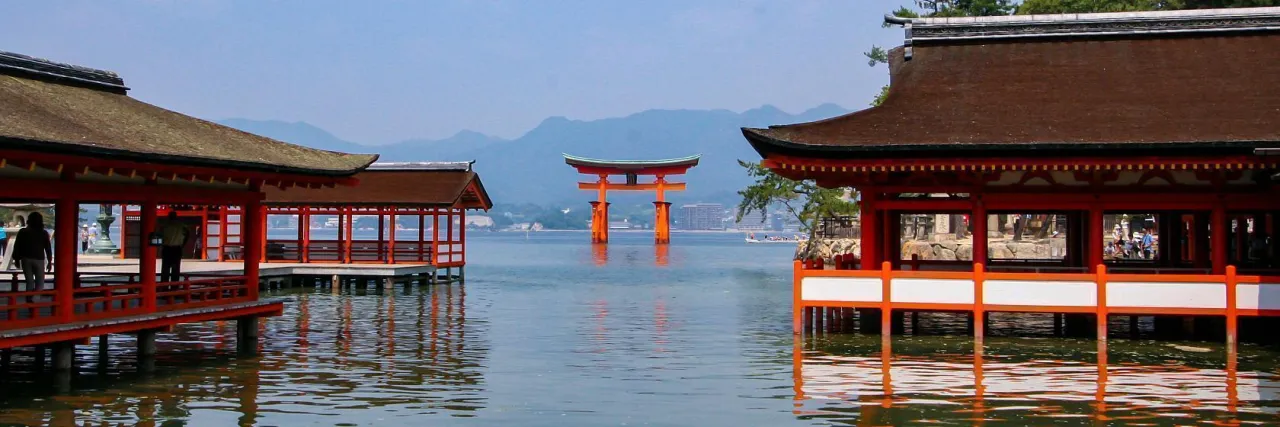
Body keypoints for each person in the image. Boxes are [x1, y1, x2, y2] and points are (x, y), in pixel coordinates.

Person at [13, 212, 52, 293]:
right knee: (40, 282)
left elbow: (17, 246)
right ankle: (35, 300)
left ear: (29, 220)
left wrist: (16, 259)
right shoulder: (43, 233)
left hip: (26, 259)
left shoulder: (22, 232)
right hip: (39, 259)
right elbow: (48, 248)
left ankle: (29, 299)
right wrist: (49, 261)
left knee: (29, 282)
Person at [160, 211, 190, 283]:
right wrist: (183, 244)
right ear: (176, 217)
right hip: (177, 249)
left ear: (169, 217)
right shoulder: (181, 225)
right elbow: (188, 234)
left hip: (167, 248)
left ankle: (164, 287)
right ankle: (174, 287)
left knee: (165, 269)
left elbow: (160, 235)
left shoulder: (165, 225)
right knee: (175, 270)